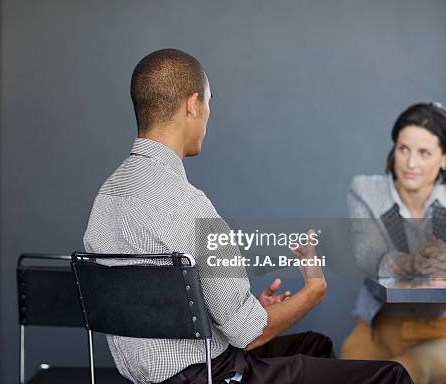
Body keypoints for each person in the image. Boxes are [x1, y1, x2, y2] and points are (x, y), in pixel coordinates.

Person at [83, 48, 412, 384]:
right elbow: (250, 335)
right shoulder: (187, 204)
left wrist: (249, 309)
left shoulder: (107, 199)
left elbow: (168, 307)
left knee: (315, 345)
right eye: (209, 102)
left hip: (157, 376)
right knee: (393, 375)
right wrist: (314, 289)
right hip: (214, 375)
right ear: (192, 104)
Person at [341, 102, 446, 384]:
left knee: (405, 370)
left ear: (444, 158)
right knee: (346, 371)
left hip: (442, 330)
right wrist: (412, 262)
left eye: (424, 153)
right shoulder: (367, 190)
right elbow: (368, 256)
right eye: (404, 149)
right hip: (380, 326)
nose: (410, 163)